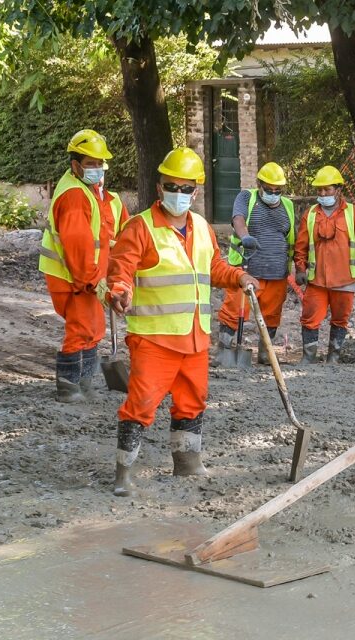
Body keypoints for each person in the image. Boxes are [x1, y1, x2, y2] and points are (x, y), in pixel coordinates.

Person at [105, 147, 259, 497]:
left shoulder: (202, 227)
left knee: (193, 400)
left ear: (196, 191)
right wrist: (119, 292)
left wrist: (238, 277)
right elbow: (121, 270)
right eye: (171, 185)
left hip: (194, 337)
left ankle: (187, 464)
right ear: (159, 187)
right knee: (141, 404)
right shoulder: (140, 227)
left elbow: (214, 267)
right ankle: (123, 474)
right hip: (155, 339)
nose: (179, 193)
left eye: (186, 188)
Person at [38, 129, 127, 402]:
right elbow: (77, 248)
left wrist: (112, 279)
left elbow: (115, 238)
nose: (97, 169)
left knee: (92, 328)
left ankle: (84, 383)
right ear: (75, 165)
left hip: (87, 277)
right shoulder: (75, 196)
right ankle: (69, 387)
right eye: (91, 164)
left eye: (100, 163)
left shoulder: (98, 195)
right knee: (82, 329)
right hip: (75, 278)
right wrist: (92, 283)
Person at [292, 165, 355, 364]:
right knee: (310, 318)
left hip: (345, 279)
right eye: (319, 190)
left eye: (327, 189)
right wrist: (300, 268)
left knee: (340, 320)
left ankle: (333, 358)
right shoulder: (310, 214)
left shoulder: (353, 213)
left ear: (338, 190)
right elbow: (301, 245)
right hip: (317, 280)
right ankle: (308, 358)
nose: (322, 194)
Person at [217, 162, 298, 365]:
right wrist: (245, 237)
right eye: (268, 189)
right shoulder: (247, 197)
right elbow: (238, 219)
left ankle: (265, 353)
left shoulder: (287, 205)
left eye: (277, 190)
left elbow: (292, 238)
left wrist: (299, 266)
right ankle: (225, 352)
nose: (273, 193)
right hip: (246, 270)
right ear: (259, 184)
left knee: (271, 315)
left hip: (277, 272)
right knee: (234, 311)